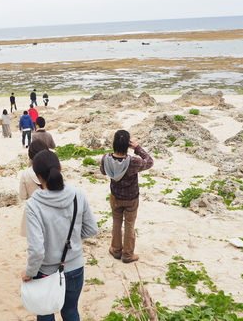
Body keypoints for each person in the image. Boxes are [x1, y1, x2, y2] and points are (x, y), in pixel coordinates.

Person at [21, 150, 98, 321]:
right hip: (75, 268)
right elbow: (92, 229)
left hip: (46, 272)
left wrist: (29, 271)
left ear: (37, 176)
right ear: (60, 167)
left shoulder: (34, 205)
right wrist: (73, 240)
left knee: (45, 314)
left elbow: (37, 250)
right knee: (71, 313)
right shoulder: (78, 195)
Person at [100, 130, 154, 263]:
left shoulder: (106, 158)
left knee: (116, 223)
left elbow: (103, 171)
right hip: (131, 198)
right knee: (129, 225)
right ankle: (128, 254)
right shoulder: (133, 161)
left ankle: (116, 250)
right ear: (127, 144)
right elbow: (150, 161)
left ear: (114, 143)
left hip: (115, 197)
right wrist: (137, 148)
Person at [18, 139, 50, 236]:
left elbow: (22, 196)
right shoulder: (53, 169)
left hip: (33, 211)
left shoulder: (26, 173)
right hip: (51, 208)